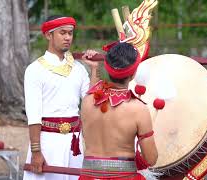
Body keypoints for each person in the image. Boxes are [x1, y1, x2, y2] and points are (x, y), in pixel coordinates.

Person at [23, 15, 99, 180]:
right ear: (48, 35)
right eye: (62, 33)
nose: (67, 37)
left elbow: (90, 101)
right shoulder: (34, 70)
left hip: (74, 142)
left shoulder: (78, 68)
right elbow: (34, 115)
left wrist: (93, 70)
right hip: (47, 142)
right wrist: (36, 152)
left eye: (70, 33)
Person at [79, 42, 158, 179]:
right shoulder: (138, 109)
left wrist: (94, 68)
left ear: (108, 69)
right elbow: (151, 159)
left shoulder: (87, 101)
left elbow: (94, 91)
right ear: (133, 74)